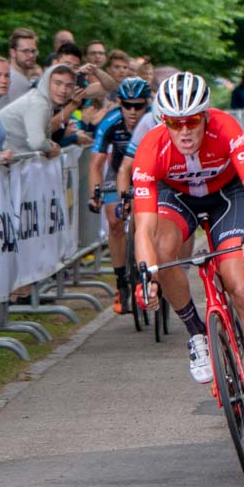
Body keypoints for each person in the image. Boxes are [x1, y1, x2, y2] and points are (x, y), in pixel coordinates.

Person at [130, 72, 244, 444]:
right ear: (164, 122)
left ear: (206, 116)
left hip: (226, 197)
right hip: (176, 198)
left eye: (192, 121)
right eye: (175, 122)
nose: (185, 131)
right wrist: (147, 278)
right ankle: (196, 334)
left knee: (241, 287)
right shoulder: (150, 148)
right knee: (161, 253)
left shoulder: (226, 128)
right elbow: (143, 228)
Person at [88, 77, 151, 313]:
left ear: (148, 104)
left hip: (148, 171)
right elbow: (96, 164)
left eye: (139, 105)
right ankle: (121, 283)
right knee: (115, 222)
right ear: (120, 103)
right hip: (118, 171)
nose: (133, 111)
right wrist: (96, 194)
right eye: (127, 105)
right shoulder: (111, 121)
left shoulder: (154, 118)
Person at [0, 64, 77, 158]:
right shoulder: (39, 103)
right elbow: (37, 143)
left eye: (69, 85)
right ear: (47, 82)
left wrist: (50, 144)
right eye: (58, 83)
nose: (63, 90)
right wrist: (52, 148)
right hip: (0, 160)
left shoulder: (41, 100)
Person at [1, 28, 41, 108]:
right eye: (25, 51)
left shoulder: (6, 74)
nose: (31, 55)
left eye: (33, 51)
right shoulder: (15, 79)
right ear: (12, 52)